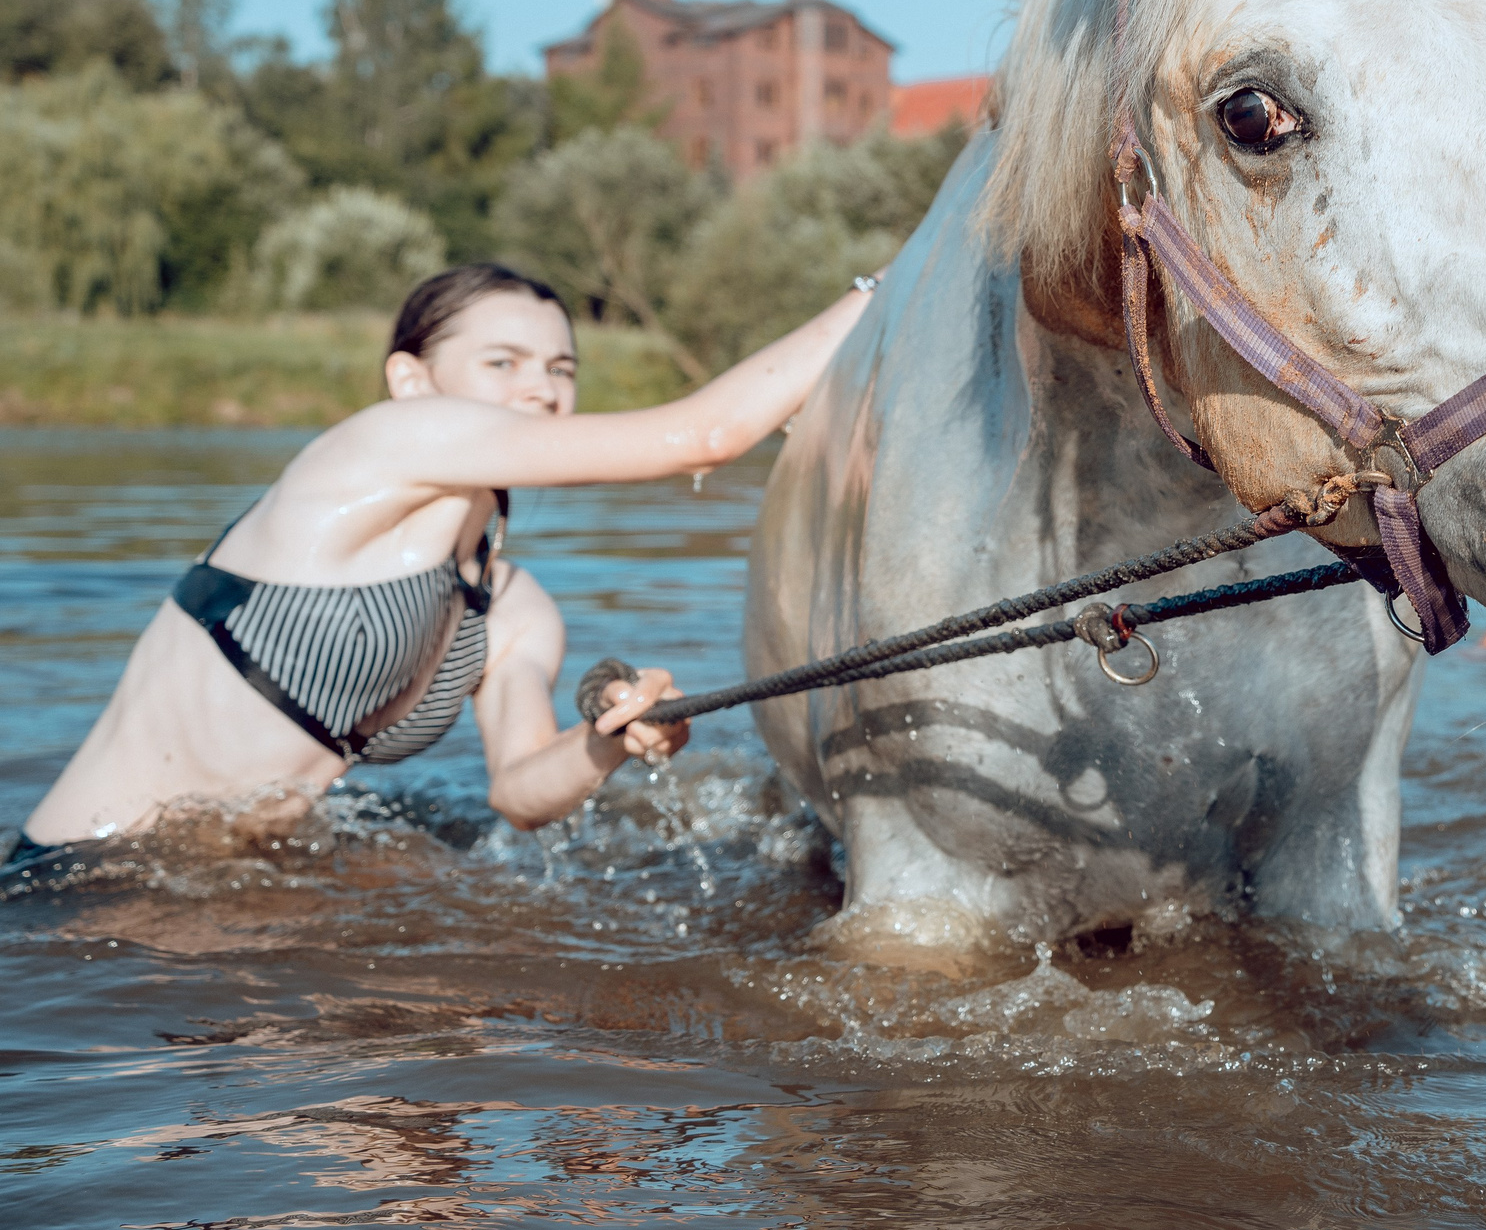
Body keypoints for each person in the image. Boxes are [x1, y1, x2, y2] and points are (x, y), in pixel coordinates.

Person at [11, 263, 873, 867]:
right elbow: (707, 435)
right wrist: (880, 291)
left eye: (561, 369)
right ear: (410, 379)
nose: (541, 391)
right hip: (88, 887)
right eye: (503, 363)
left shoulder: (510, 607)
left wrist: (607, 743)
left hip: (239, 891)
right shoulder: (376, 445)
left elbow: (521, 792)